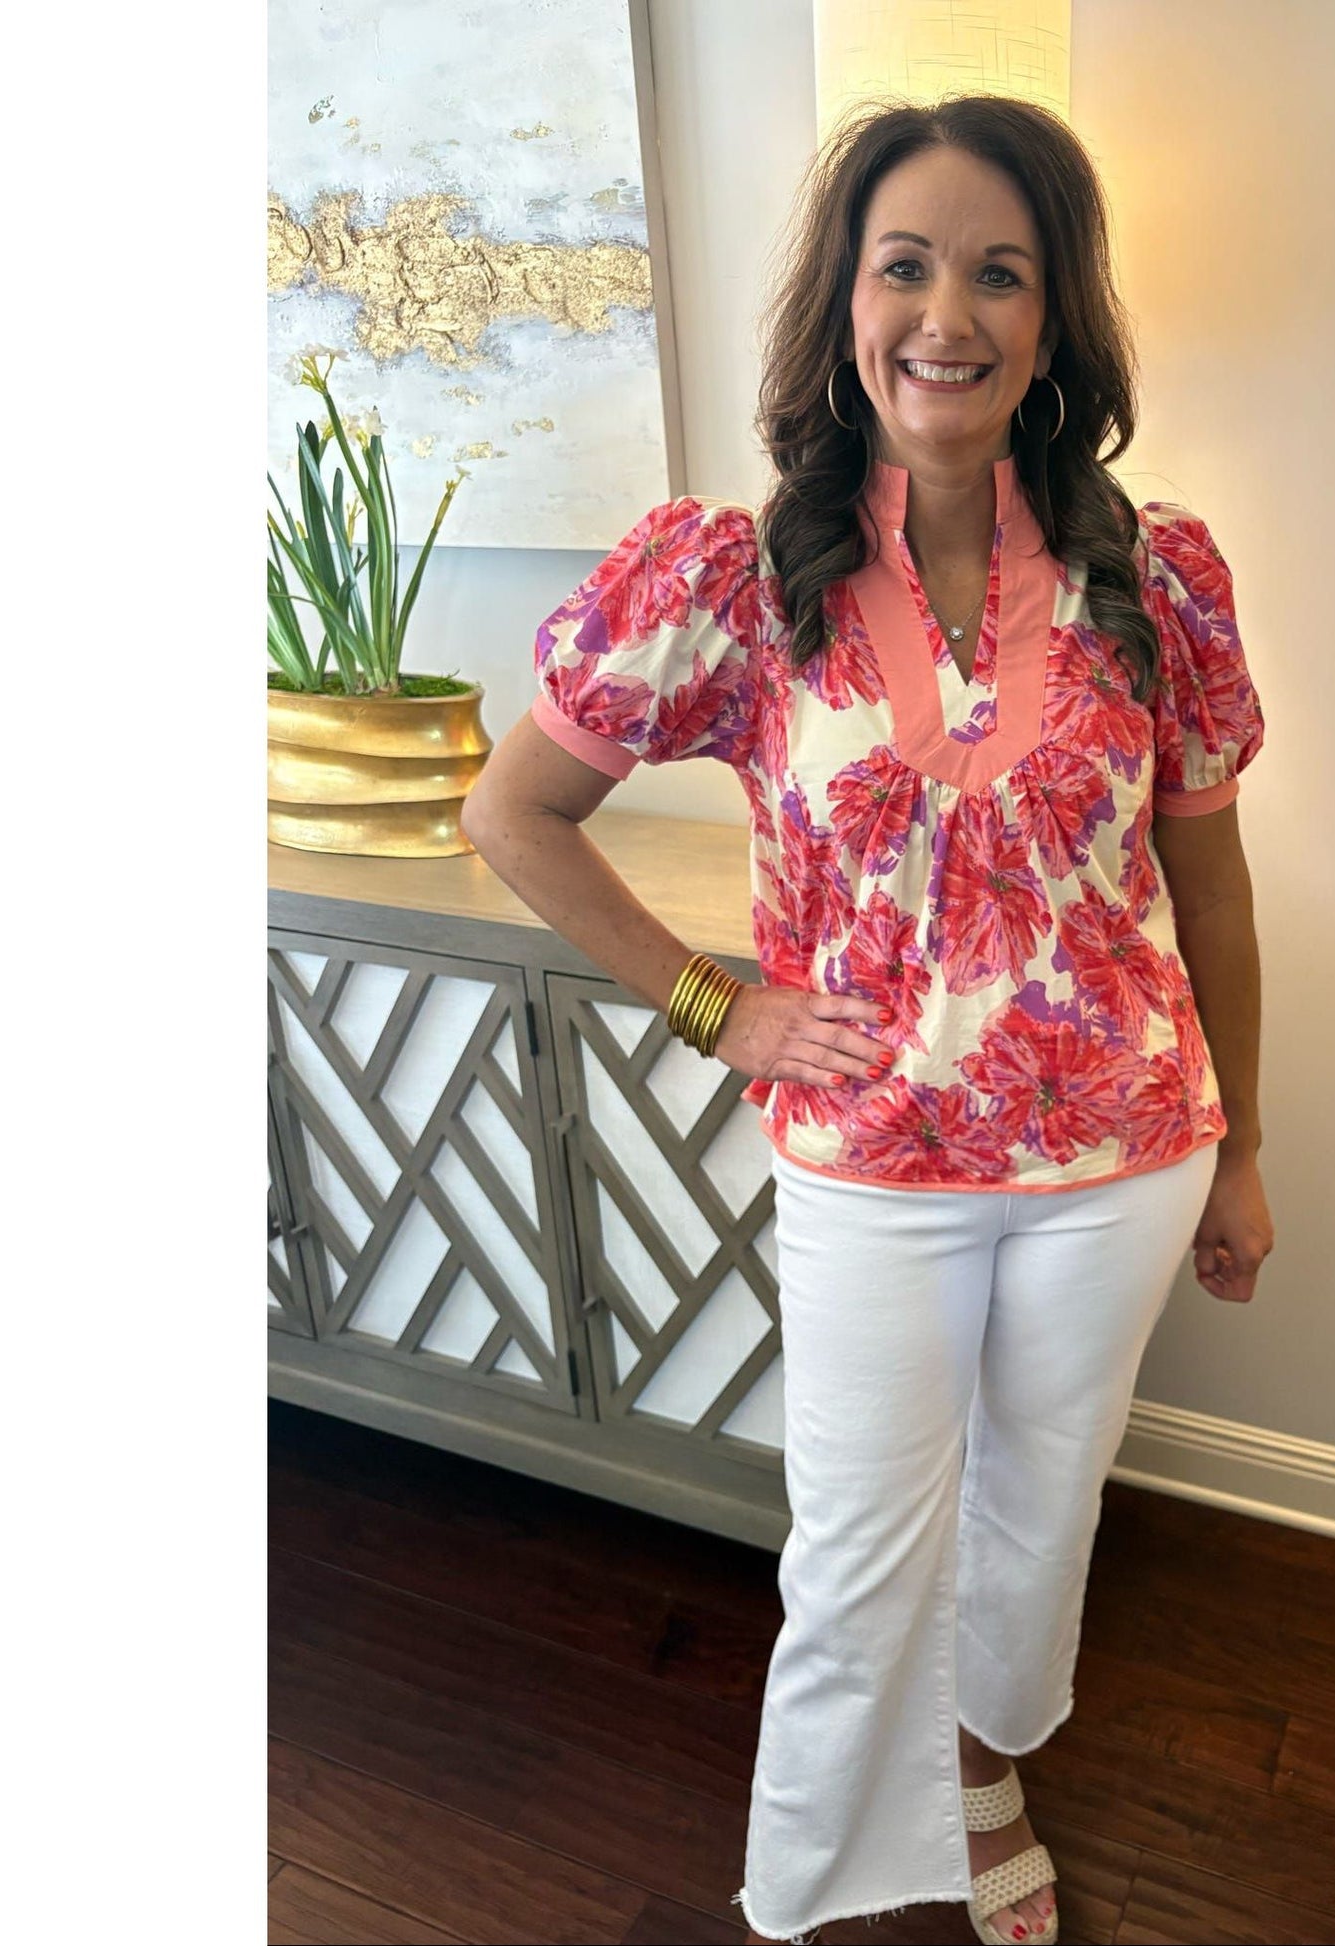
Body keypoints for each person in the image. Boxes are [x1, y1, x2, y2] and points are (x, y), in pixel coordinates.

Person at [463, 94, 1274, 1946]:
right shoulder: (732, 584)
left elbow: (1210, 883)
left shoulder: (1160, 581)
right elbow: (513, 812)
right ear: (845, 304)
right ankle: (815, 1883)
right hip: (874, 1167)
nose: (948, 313)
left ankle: (981, 1769)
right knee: (852, 1548)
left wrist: (1248, 1150)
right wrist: (707, 995)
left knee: (1040, 1507)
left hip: (1124, 1151)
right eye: (905, 265)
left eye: (1001, 273)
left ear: (1055, 321)